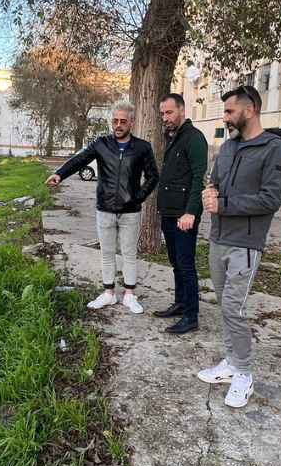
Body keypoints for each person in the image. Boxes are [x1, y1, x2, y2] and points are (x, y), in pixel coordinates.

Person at [198, 86, 281, 408]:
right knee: (223, 305)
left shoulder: (273, 149)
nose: (225, 117)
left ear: (249, 110)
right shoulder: (228, 147)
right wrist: (209, 192)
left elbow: (271, 199)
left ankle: (244, 373)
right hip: (218, 238)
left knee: (234, 309)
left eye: (229, 111)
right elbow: (214, 181)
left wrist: (223, 204)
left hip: (246, 244)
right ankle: (231, 361)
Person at [47, 100, 159, 313]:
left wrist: (138, 198)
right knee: (107, 253)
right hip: (105, 209)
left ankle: (129, 295)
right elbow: (79, 160)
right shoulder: (101, 144)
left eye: (123, 121)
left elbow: (153, 176)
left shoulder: (142, 147)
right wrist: (60, 174)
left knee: (129, 254)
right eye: (115, 121)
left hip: (130, 212)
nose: (118, 125)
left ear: (131, 122)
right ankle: (109, 294)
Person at [153, 92, 208, 335]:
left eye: (169, 112)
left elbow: (198, 178)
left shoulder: (194, 138)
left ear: (182, 111)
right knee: (175, 262)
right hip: (169, 212)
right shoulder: (173, 137)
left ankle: (191, 316)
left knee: (186, 265)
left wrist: (190, 212)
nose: (165, 117)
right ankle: (180, 303)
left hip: (184, 216)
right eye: (162, 113)